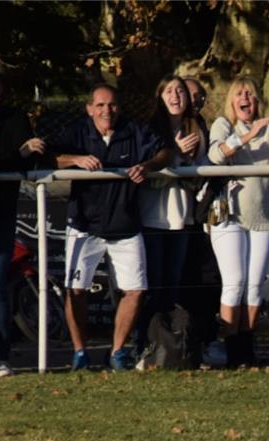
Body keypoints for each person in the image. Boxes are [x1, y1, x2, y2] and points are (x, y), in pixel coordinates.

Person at [50, 84, 171, 371]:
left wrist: (149, 165)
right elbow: (47, 155)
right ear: (90, 108)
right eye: (101, 105)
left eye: (112, 105)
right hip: (84, 226)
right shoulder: (77, 133)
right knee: (75, 289)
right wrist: (74, 160)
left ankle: (117, 352)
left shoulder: (135, 131)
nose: (107, 111)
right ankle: (80, 352)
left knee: (136, 290)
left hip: (125, 226)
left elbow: (167, 152)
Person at [205, 76, 269, 367]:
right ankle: (232, 347)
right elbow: (216, 155)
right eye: (240, 94)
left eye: (251, 94)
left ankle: (247, 345)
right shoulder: (224, 125)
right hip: (229, 216)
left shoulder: (268, 129)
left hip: (262, 218)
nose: (246, 98)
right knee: (234, 282)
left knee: (256, 286)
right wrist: (248, 134)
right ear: (233, 100)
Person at [0, 67, 46, 378]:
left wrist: (20, 155)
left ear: (0, 90)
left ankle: (0, 358)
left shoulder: (17, 119)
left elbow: (32, 159)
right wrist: (17, 153)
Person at [138, 74, 206, 353]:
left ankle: (170, 347)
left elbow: (200, 173)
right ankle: (144, 344)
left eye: (180, 90)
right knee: (153, 286)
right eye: (169, 91)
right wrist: (175, 156)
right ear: (160, 96)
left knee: (173, 287)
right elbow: (149, 172)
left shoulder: (197, 128)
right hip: (153, 218)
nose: (175, 96)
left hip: (182, 218)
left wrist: (186, 164)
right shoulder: (149, 130)